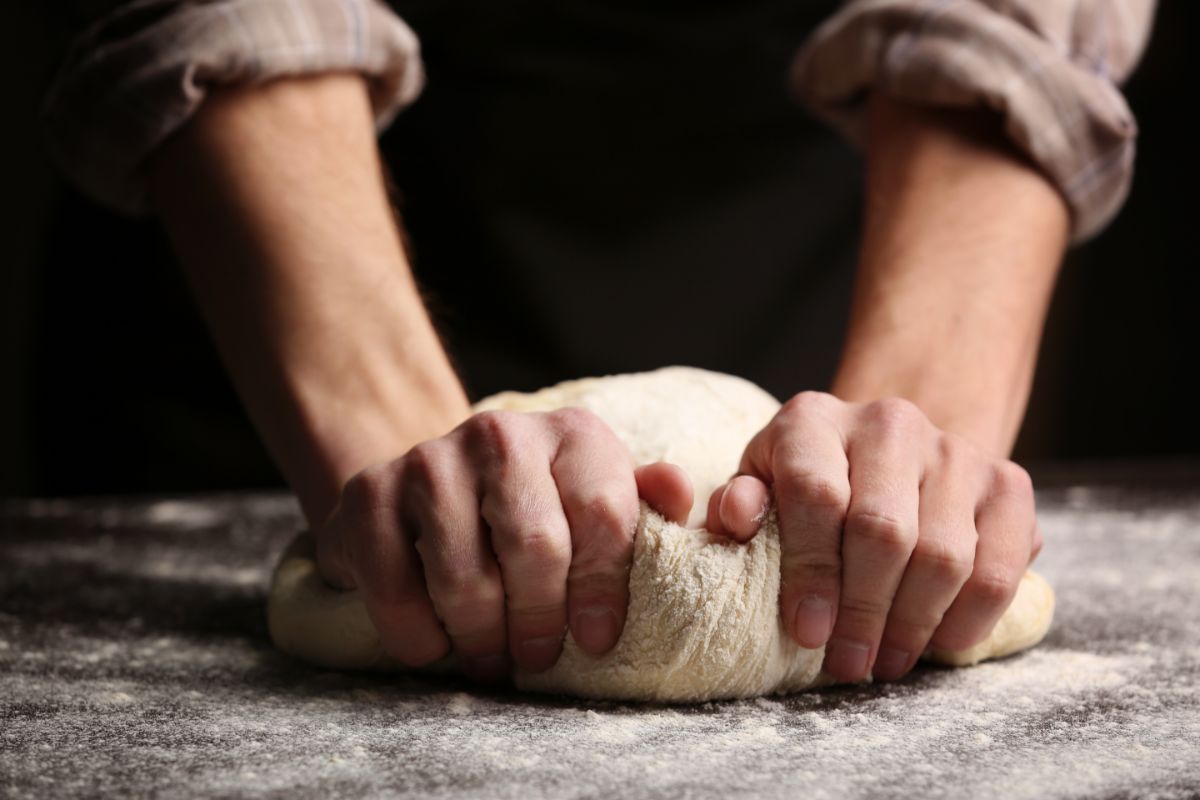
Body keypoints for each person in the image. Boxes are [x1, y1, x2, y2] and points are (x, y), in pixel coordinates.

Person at [44, 0, 1156, 685]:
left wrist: (904, 489)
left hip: (812, 234)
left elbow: (1004, 29)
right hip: (295, 273)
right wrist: (401, 498)